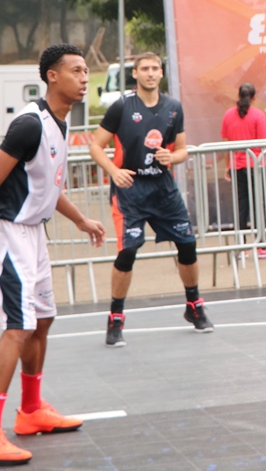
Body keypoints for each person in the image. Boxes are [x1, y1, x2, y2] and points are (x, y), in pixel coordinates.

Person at [0, 44, 106, 467]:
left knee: (43, 320)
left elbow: (47, 186)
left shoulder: (61, 122)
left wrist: (81, 219)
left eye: (86, 71)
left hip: (33, 234)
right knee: (18, 328)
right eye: (76, 71)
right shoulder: (30, 124)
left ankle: (30, 410)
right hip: (8, 233)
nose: (84, 78)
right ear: (52, 76)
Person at [89, 52, 214, 347]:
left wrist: (173, 156)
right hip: (130, 189)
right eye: (144, 68)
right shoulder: (122, 106)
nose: (150, 73)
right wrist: (113, 171)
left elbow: (182, 150)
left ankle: (194, 305)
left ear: (161, 73)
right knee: (128, 252)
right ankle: (115, 318)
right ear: (135, 74)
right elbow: (96, 146)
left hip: (162, 189)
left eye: (155, 68)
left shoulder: (173, 107)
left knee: (187, 244)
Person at [220, 83, 266, 259]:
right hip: (259, 166)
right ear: (254, 97)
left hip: (237, 167)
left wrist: (228, 165)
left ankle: (242, 247)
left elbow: (226, 143)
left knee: (241, 206)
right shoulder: (258, 115)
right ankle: (262, 247)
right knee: (261, 205)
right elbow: (265, 144)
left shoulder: (228, 115)